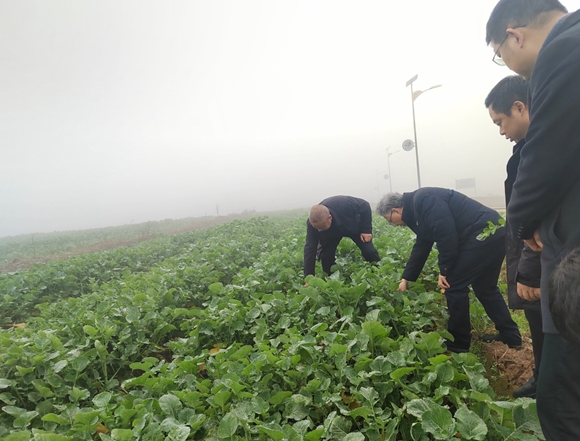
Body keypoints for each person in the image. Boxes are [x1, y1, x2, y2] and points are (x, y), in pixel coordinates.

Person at [486, 0, 580, 438]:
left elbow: (544, 160)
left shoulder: (563, 51)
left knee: (561, 400)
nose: (507, 65)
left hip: (570, 264)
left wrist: (523, 227)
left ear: (515, 35)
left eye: (500, 54)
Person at [376, 188, 521, 353]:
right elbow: (422, 245)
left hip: (483, 232)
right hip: (492, 231)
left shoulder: (424, 201)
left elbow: (446, 234)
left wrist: (444, 270)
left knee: (453, 285)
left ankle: (458, 344)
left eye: (389, 220)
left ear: (395, 210)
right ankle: (511, 335)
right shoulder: (417, 209)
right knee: (485, 288)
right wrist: (406, 278)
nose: (393, 224)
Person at [485, 75, 543, 399]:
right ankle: (542, 376)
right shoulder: (526, 148)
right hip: (533, 256)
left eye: (500, 121)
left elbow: (540, 216)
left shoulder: (540, 150)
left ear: (519, 107)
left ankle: (548, 385)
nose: (501, 130)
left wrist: (529, 268)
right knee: (538, 322)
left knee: (548, 321)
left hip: (541, 258)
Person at [303, 195, 380, 278]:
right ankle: (330, 278)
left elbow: (365, 205)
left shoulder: (344, 204)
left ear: (330, 217)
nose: (318, 231)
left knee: (369, 251)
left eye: (321, 227)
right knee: (326, 256)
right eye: (316, 228)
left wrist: (366, 230)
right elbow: (310, 248)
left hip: (352, 225)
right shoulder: (313, 223)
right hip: (330, 233)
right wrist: (308, 277)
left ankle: (378, 271)